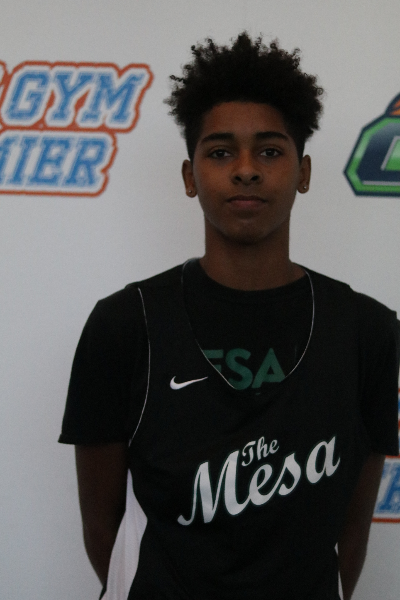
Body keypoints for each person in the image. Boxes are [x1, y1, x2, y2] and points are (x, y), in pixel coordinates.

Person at [59, 33, 400, 600]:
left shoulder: (368, 331)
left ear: (304, 172)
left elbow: (350, 530)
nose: (246, 170)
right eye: (220, 152)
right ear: (189, 176)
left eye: (269, 151)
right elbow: (104, 532)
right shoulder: (124, 325)